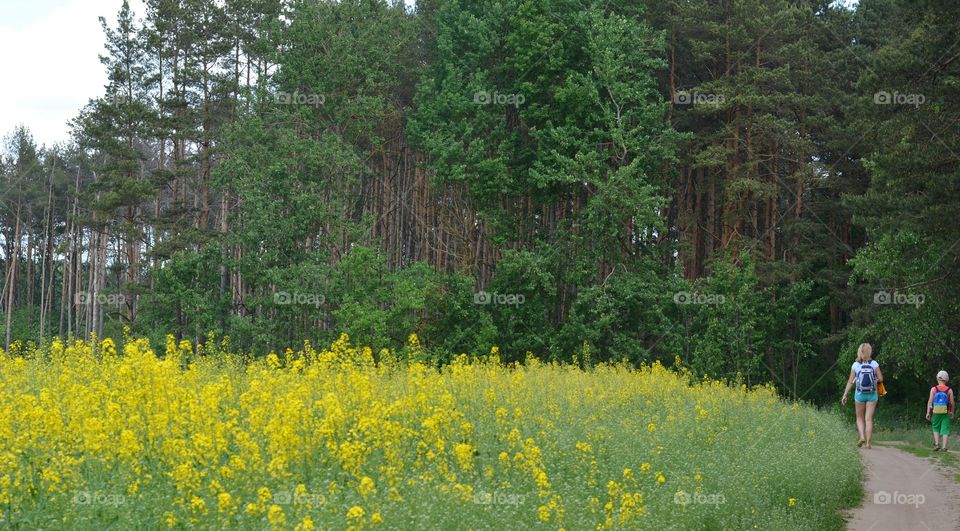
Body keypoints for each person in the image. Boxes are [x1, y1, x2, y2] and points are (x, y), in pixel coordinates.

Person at [841, 343, 883, 448]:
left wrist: (845, 395)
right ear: (870, 351)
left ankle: (862, 437)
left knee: (859, 417)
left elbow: (850, 382)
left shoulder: (856, 365)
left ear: (860, 351)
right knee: (868, 418)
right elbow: (881, 379)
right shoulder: (874, 364)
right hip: (872, 394)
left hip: (859, 394)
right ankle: (868, 443)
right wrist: (874, 380)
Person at [926, 370, 954, 452]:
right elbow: (952, 403)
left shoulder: (933, 389)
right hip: (945, 412)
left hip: (936, 412)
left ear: (937, 379)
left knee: (936, 427)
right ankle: (944, 447)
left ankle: (937, 444)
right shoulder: (949, 390)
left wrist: (928, 412)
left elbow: (930, 401)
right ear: (946, 379)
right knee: (945, 429)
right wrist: (952, 412)